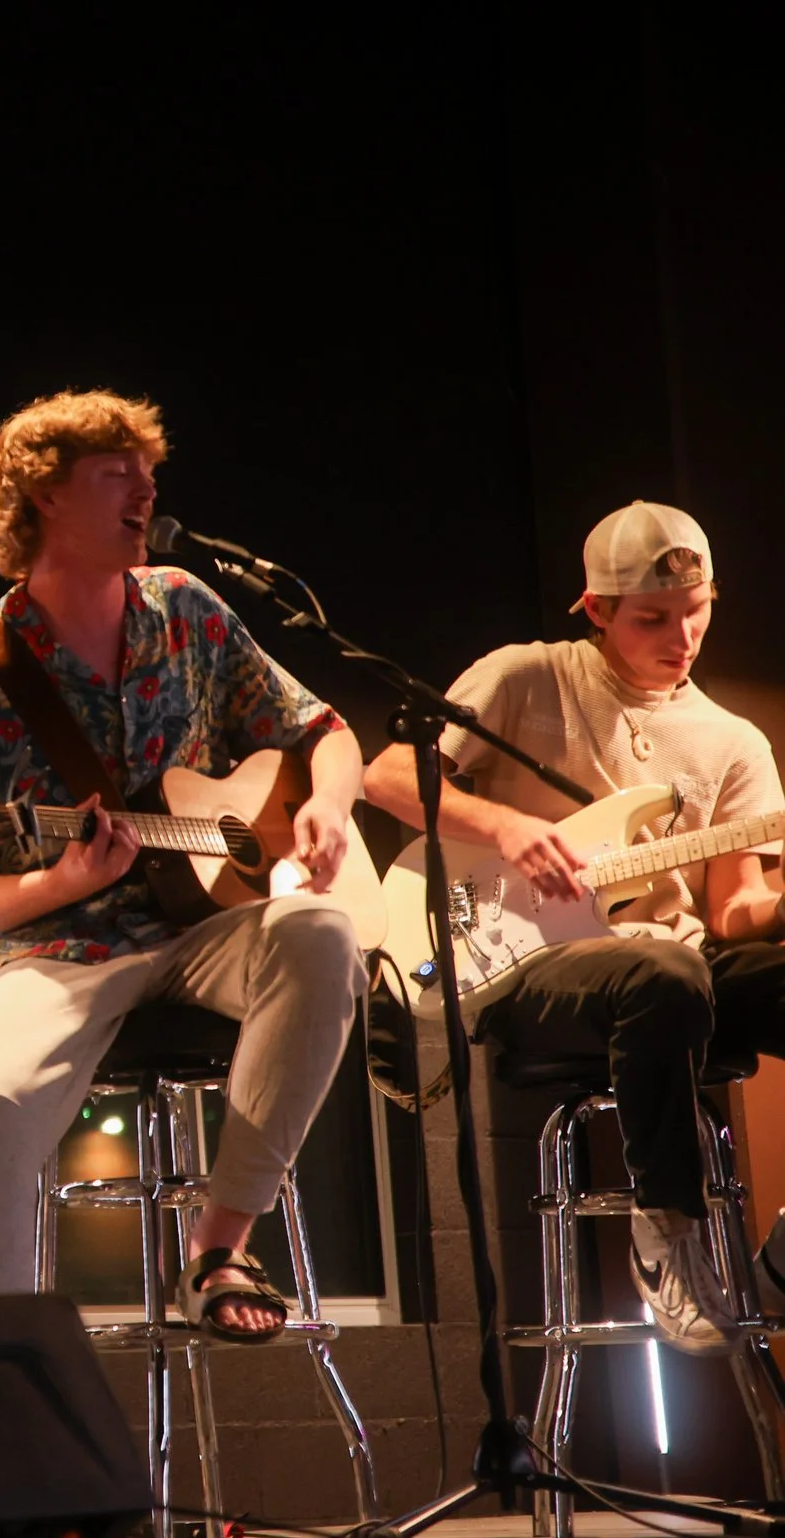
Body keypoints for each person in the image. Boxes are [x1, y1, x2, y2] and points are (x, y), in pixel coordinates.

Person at [0, 389, 368, 1341]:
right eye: (117, 474)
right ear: (44, 498)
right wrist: (58, 883)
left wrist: (326, 803)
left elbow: (327, 731)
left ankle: (218, 1247)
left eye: (149, 472)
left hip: (198, 933)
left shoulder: (185, 608)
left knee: (323, 929)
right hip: (48, 950)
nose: (146, 491)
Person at [362, 500, 785, 1353]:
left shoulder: (733, 741)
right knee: (664, 975)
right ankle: (667, 1233)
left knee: (679, 967)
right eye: (652, 618)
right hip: (531, 967)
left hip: (676, 965)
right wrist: (506, 827)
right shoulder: (526, 676)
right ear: (596, 609)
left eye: (696, 611)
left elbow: (733, 909)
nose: (682, 636)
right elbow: (387, 778)